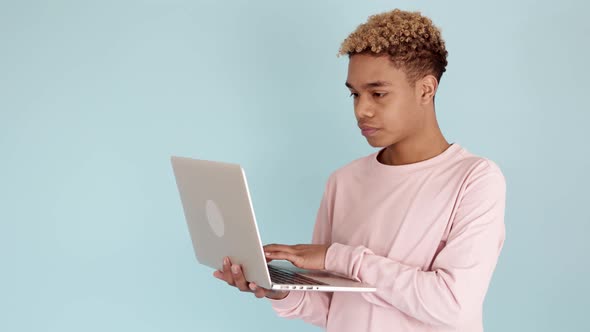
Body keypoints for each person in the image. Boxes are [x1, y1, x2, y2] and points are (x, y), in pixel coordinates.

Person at [213, 8, 506, 332]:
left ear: (426, 89)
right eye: (355, 93)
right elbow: (332, 308)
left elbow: (453, 305)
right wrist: (278, 290)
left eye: (378, 94)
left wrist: (338, 257)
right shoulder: (344, 181)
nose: (361, 109)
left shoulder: (474, 180)